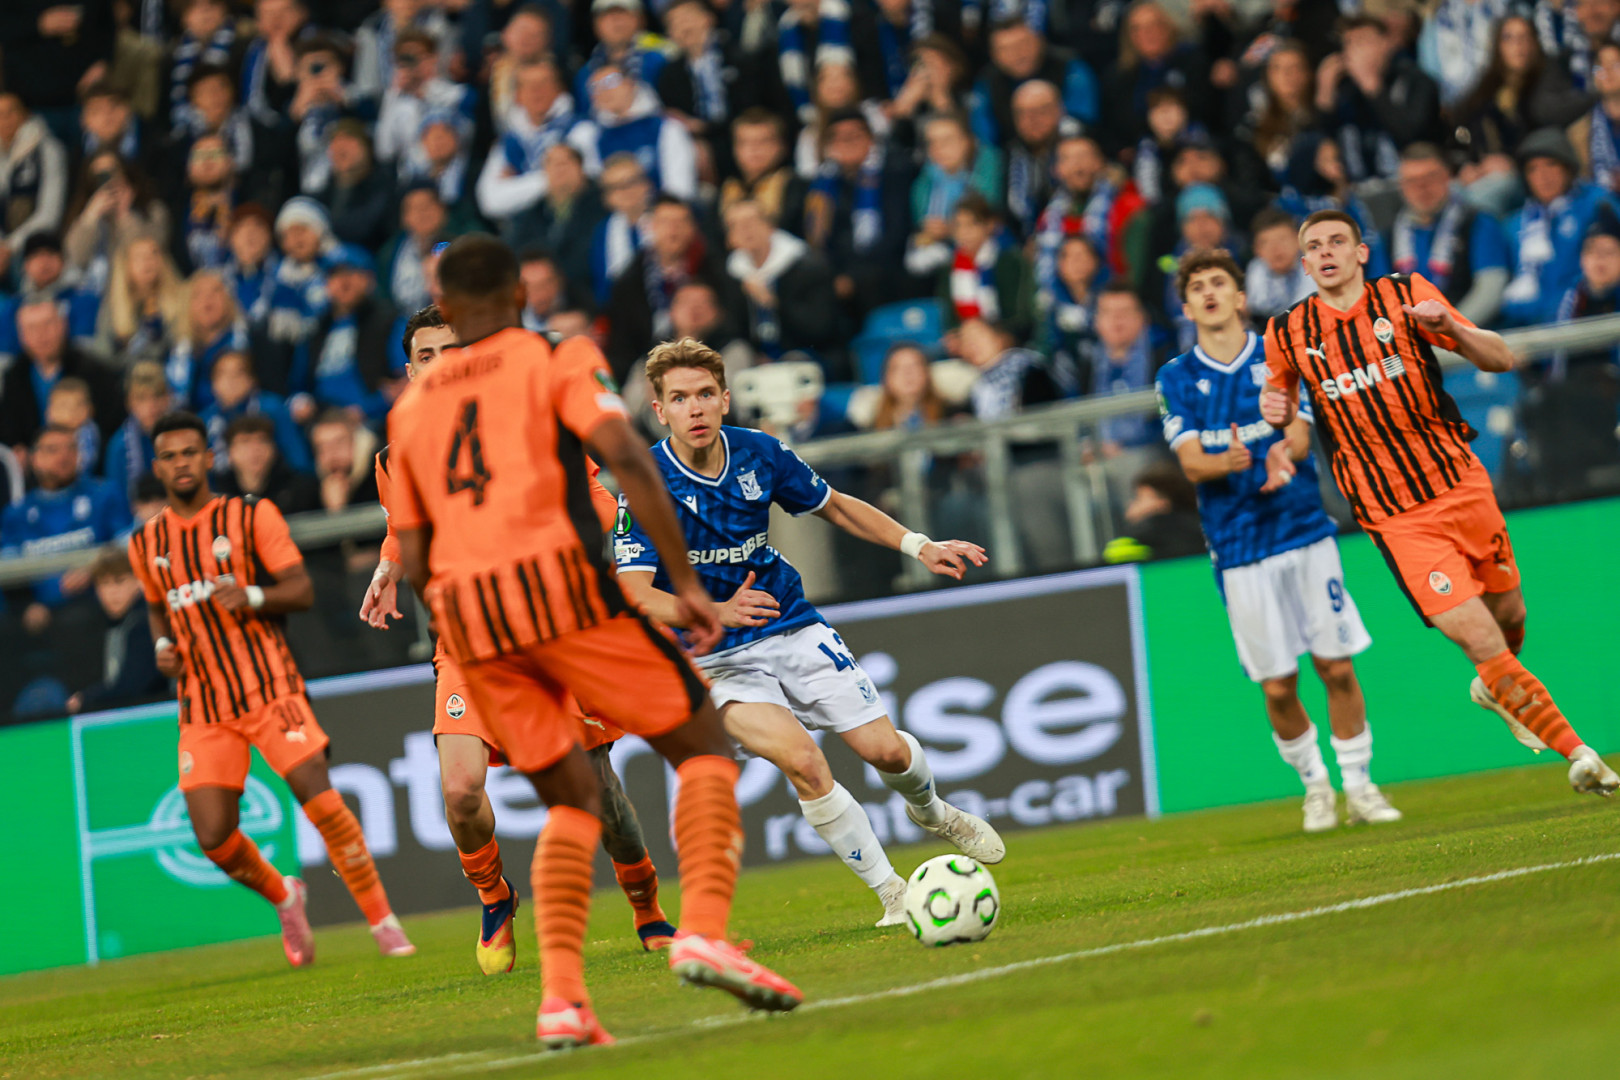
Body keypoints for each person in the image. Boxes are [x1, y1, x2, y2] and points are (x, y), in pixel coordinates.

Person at [386, 234, 802, 1045]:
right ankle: (703, 931)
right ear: (516, 295)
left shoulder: (411, 410)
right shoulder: (554, 356)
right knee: (702, 741)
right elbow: (626, 459)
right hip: (559, 597)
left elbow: (415, 546)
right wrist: (687, 587)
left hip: (473, 626)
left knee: (570, 800)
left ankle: (563, 1001)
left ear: (451, 306)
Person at [615, 336, 1003, 924]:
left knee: (886, 752)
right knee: (803, 761)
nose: (694, 408)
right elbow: (636, 594)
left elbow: (836, 505)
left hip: (789, 623)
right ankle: (893, 895)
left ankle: (932, 811)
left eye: (704, 394)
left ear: (725, 399)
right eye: (679, 398)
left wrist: (918, 544)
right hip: (710, 656)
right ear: (658, 409)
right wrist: (716, 612)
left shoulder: (760, 453)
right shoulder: (645, 481)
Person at [360, 304, 679, 972]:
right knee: (460, 791)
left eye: (452, 352)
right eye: (426, 356)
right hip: (468, 637)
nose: (440, 366)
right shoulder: (395, 452)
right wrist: (390, 564)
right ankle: (494, 896)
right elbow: (404, 524)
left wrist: (623, 563)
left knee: (598, 792)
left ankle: (647, 905)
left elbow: (593, 497)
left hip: (552, 620)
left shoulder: (528, 419)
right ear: (410, 370)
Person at [1260, 208, 1620, 797]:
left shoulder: (1405, 296)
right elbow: (1288, 416)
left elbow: (1500, 359)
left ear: (1360, 253)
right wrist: (1278, 421)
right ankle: (1579, 754)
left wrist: (1452, 328)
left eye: (1336, 241)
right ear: (1304, 264)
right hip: (1394, 514)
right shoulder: (1286, 333)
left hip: (1460, 484)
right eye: (1314, 246)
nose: (1325, 252)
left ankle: (1495, 687)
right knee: (1480, 640)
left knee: (1509, 618)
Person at [129, 410, 414, 965]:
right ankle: (285, 896)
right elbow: (157, 607)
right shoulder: (145, 543)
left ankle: (384, 924)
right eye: (169, 456)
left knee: (322, 800)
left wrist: (253, 596)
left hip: (269, 687)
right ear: (157, 467)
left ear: (208, 458)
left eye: (190, 453)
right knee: (214, 837)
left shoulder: (249, 514)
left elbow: (301, 589)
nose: (181, 464)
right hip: (202, 706)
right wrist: (163, 645)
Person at [1158, 247, 1399, 832]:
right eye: (1198, 287)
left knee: (1336, 666)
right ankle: (1315, 785)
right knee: (1277, 685)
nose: (1209, 293)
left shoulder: (1278, 351)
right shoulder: (1176, 377)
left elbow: (1298, 431)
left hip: (1303, 531)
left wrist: (1281, 455)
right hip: (1239, 548)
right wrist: (1231, 460)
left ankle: (1360, 785)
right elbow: (1191, 463)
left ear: (1240, 296)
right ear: (1187, 306)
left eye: (1219, 282)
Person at [2, 425, 131, 632]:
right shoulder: (16, 515)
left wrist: (95, 568)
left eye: (71, 448)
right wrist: (26, 606)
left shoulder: (104, 495)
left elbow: (127, 546)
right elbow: (8, 572)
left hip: (97, 609)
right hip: (37, 622)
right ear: (34, 458)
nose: (64, 456)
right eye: (53, 450)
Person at [1502, 128, 1615, 326]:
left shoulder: (1597, 203)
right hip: (1529, 329)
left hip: (1588, 320)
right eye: (1533, 169)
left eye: (1551, 164)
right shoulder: (1514, 225)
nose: (1543, 176)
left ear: (1568, 167)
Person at [723, 199, 844, 376]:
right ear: (730, 238)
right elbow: (732, 331)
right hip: (758, 361)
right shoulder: (733, 274)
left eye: (751, 222)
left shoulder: (808, 266)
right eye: (735, 225)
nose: (745, 230)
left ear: (770, 226)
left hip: (810, 355)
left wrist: (773, 303)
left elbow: (821, 329)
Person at [0, 297, 126, 456]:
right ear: (21, 335)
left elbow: (112, 427)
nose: (41, 334)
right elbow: (8, 432)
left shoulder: (96, 372)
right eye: (32, 328)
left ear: (63, 324)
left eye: (47, 324)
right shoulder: (13, 377)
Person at [66, 546, 171, 714]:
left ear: (138, 581)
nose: (112, 592)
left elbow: (132, 686)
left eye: (120, 581)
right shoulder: (108, 625)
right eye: (104, 584)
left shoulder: (144, 622)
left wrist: (85, 699)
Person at [938, 192, 1035, 344]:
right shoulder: (949, 268)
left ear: (989, 225)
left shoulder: (1010, 261)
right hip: (967, 342)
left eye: (972, 224)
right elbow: (949, 319)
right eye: (958, 225)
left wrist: (989, 337)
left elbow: (1020, 319)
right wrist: (956, 337)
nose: (964, 232)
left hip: (1006, 341)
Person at [200, 349, 311, 474]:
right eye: (222, 374)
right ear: (212, 384)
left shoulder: (273, 409)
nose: (231, 380)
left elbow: (297, 459)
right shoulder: (204, 420)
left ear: (252, 380)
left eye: (238, 373)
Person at [215, 413, 319, 514]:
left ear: (273, 449)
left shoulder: (302, 491)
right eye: (245, 441)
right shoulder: (219, 498)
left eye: (262, 440)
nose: (255, 448)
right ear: (230, 453)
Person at [104, 361, 173, 499]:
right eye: (142, 398)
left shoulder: (184, 437)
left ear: (168, 397)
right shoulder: (119, 447)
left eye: (158, 396)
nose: (152, 405)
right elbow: (118, 500)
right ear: (129, 403)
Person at [1245, 208, 1315, 325]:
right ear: (1256, 250)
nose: (1276, 248)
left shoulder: (1316, 267)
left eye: (1282, 239)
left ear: (1299, 240)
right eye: (1265, 242)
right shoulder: (1255, 270)